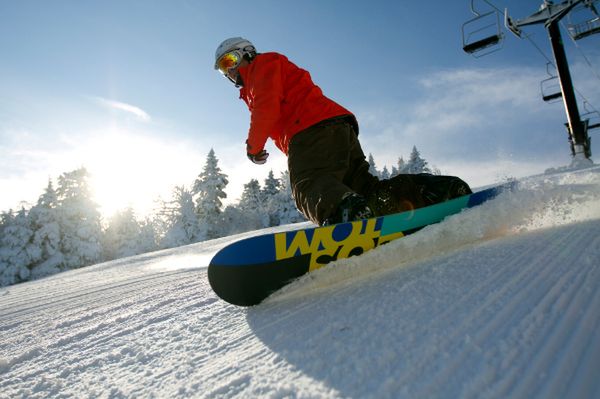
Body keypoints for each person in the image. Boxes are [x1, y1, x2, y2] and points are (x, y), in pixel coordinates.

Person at [214, 37, 471, 226]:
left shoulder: (262, 65)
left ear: (247, 53)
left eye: (230, 60)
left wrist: (253, 147)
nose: (229, 70)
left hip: (309, 130)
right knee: (363, 188)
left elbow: (266, 107)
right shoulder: (258, 78)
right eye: (223, 68)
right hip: (337, 129)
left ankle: (347, 215)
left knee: (309, 184)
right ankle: (434, 192)